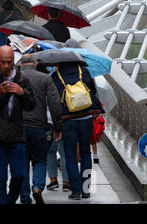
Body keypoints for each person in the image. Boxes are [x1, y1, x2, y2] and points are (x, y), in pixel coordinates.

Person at [0, 45, 36, 204]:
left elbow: (31, 105)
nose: (6, 66)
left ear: (13, 62)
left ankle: (9, 201)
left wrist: (22, 93)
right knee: (0, 178)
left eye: (9, 62)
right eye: (3, 62)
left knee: (19, 175)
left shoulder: (22, 79)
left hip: (16, 136)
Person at [51, 60, 104, 200]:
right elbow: (93, 91)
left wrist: (57, 124)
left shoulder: (57, 75)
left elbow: (54, 100)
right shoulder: (84, 72)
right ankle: (86, 189)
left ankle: (75, 191)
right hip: (86, 118)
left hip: (68, 120)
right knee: (86, 153)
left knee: (70, 156)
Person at [17, 54, 62, 204]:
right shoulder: (45, 78)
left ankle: (24, 196)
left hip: (19, 127)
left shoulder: (14, 79)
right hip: (39, 126)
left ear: (21, 65)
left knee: (22, 162)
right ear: (35, 64)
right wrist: (57, 126)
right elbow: (55, 103)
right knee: (40, 160)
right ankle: (37, 187)